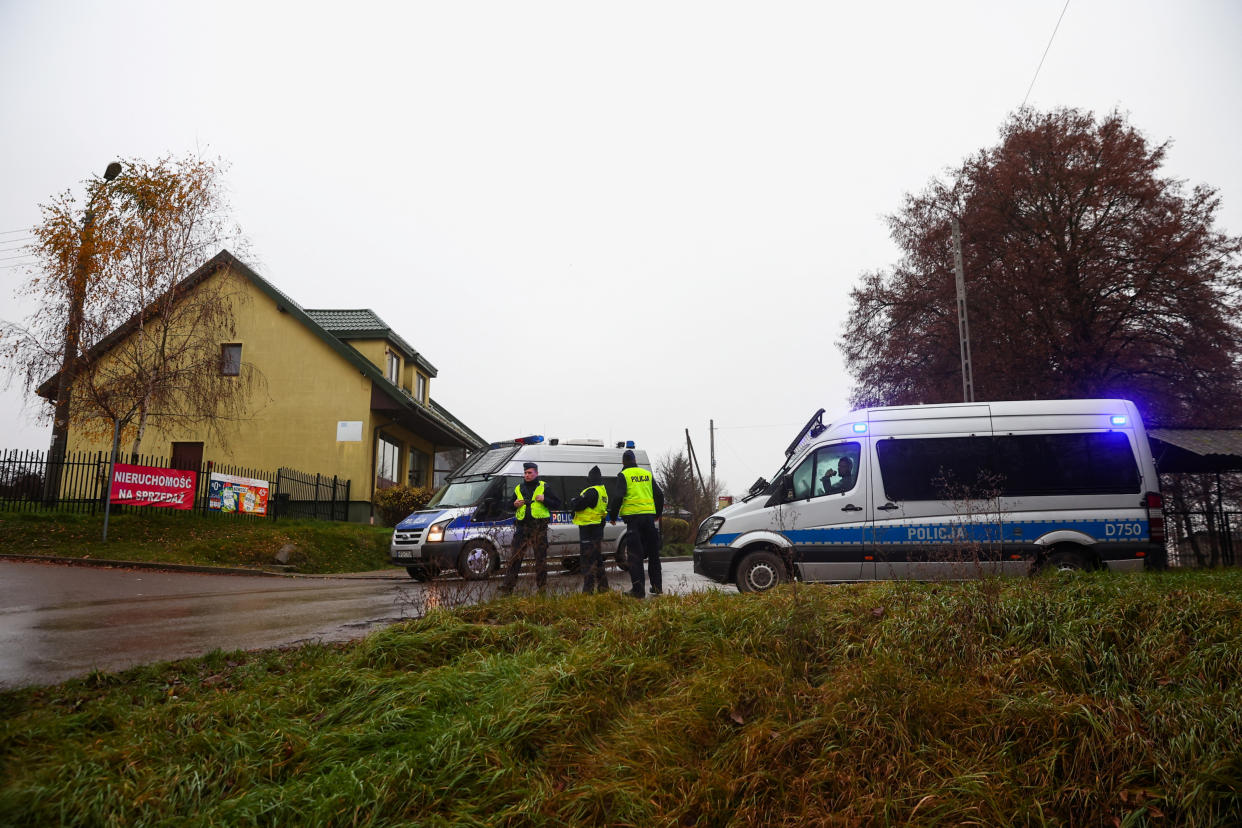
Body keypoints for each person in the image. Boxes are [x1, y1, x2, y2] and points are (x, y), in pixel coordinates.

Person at [607, 449, 665, 598]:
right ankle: (657, 587)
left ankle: (638, 591)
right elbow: (659, 494)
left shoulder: (624, 475)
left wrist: (612, 516)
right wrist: (657, 514)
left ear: (623, 462)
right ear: (635, 461)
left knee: (635, 556)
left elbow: (618, 497)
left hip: (634, 521)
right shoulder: (646, 474)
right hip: (649, 520)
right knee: (654, 555)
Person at [499, 461, 561, 595]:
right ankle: (507, 588)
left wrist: (545, 499)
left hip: (539, 527)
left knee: (540, 559)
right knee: (515, 557)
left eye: (529, 473)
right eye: (525, 473)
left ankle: (542, 589)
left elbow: (557, 504)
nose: (527, 475)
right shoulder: (519, 488)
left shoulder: (544, 487)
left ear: (536, 473)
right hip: (522, 527)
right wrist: (514, 504)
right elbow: (509, 506)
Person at [570, 465, 610, 593]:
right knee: (597, 559)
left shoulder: (592, 491)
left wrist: (573, 501)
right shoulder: (603, 491)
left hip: (589, 529)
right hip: (597, 528)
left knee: (587, 560)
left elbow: (579, 504)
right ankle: (603, 587)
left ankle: (588, 590)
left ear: (590, 479)